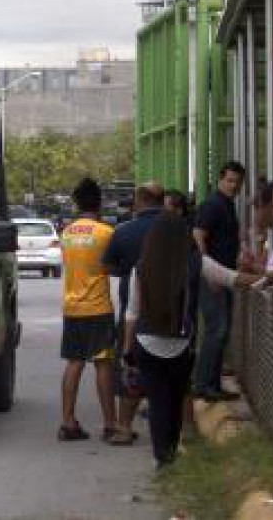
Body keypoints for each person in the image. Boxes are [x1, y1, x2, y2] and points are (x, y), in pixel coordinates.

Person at [123, 211, 263, 468]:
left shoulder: (141, 267)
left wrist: (126, 349)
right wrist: (267, 279)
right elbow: (233, 279)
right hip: (181, 346)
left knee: (157, 403)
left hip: (146, 344)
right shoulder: (197, 263)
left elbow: (132, 313)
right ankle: (170, 452)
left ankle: (162, 457)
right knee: (175, 402)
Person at [100, 181, 165, 445]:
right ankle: (180, 430)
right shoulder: (173, 230)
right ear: (161, 201)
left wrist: (126, 272)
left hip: (133, 308)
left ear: (138, 202)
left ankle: (124, 427)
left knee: (132, 364)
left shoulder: (124, 231)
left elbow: (106, 265)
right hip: (171, 308)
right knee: (170, 366)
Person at [57, 177, 118, 443]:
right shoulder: (106, 233)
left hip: (72, 308)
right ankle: (110, 424)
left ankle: (68, 422)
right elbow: (112, 266)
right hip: (98, 308)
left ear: (76, 203)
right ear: (99, 202)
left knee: (74, 363)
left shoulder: (67, 234)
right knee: (103, 364)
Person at [192, 160, 246, 402]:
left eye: (238, 182)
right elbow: (198, 236)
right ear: (220, 180)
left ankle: (212, 384)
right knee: (217, 329)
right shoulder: (212, 205)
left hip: (224, 275)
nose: (234, 186)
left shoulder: (227, 205)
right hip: (212, 276)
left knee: (220, 331)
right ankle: (204, 385)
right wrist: (207, 272)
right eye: (230, 180)